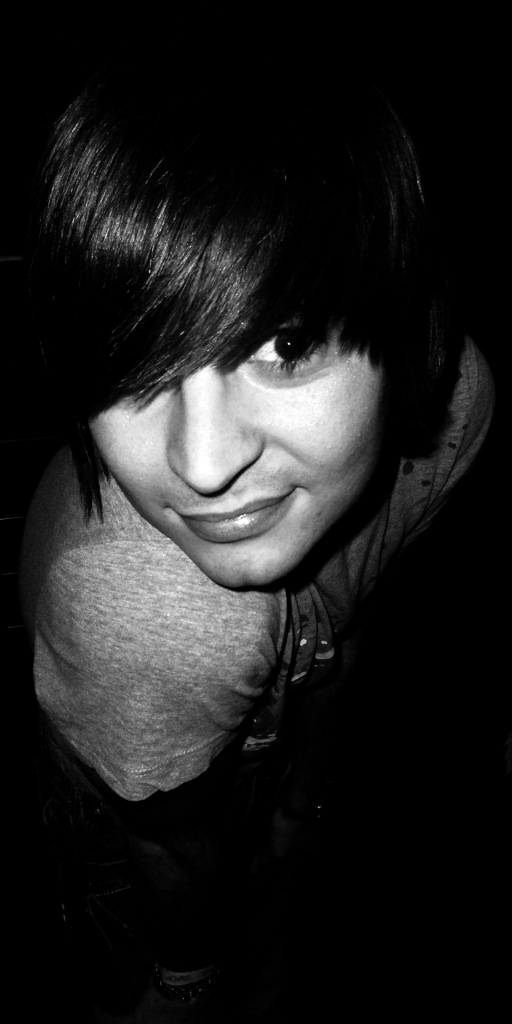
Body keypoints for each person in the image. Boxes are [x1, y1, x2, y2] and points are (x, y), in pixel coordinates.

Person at [19, 38, 495, 1024]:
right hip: (142, 784)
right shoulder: (140, 616)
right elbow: (168, 846)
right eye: (135, 360)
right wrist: (191, 978)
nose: (201, 465)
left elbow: (353, 613)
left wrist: (298, 804)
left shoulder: (450, 415)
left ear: (406, 334)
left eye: (286, 343)